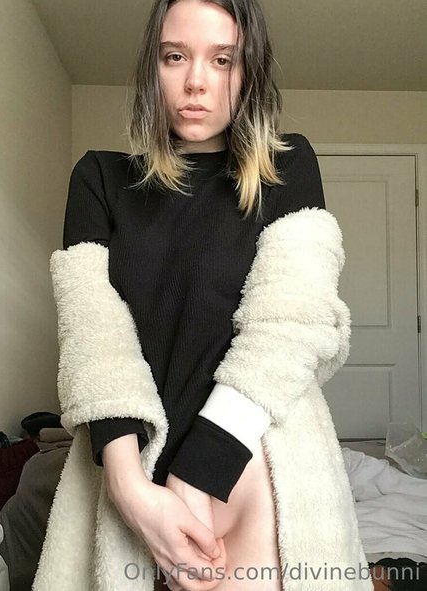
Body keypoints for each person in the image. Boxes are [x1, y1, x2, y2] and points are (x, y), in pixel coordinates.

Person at [32, 1, 372, 590]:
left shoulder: (287, 167)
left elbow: (291, 325)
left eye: (222, 60)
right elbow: (92, 337)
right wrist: (130, 489)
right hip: (126, 467)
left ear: (249, 73)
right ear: (152, 67)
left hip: (250, 463)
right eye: (175, 56)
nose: (196, 81)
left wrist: (199, 474)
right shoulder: (99, 178)